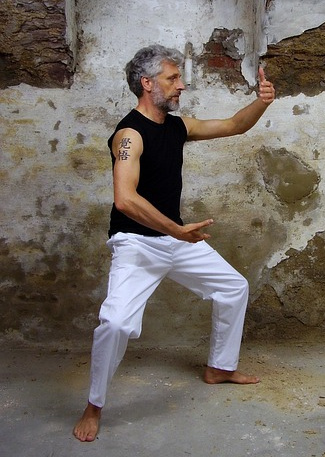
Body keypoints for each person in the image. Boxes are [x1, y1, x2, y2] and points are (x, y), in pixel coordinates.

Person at [73, 44, 275, 442]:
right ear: (147, 84)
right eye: (172, 78)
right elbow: (125, 199)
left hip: (174, 238)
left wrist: (261, 103)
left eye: (179, 77)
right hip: (136, 242)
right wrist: (175, 231)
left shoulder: (178, 127)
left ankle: (219, 368)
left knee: (233, 287)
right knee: (115, 322)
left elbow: (235, 125)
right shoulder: (129, 135)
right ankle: (94, 405)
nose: (181, 85)